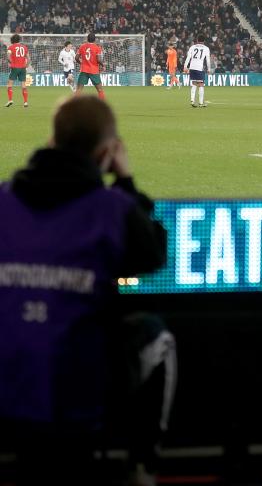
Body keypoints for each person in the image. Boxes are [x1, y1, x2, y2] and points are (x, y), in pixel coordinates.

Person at [0, 96, 174, 486]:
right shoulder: (111, 208)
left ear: (50, 140)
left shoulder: (2, 200)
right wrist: (126, 181)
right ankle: (141, 468)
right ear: (106, 152)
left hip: (7, 389)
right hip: (76, 400)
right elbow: (153, 256)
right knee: (156, 334)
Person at [75, 33, 106, 100]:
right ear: (95, 40)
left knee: (78, 90)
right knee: (100, 90)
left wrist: (81, 63)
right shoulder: (97, 48)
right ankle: (102, 105)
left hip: (84, 70)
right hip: (94, 71)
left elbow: (76, 58)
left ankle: (74, 106)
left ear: (87, 39)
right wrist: (103, 65)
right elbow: (98, 60)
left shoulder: (82, 46)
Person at [183, 37, 211, 108]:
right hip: (199, 68)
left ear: (197, 40)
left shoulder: (192, 47)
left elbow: (188, 57)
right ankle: (201, 103)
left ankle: (192, 100)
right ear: (204, 41)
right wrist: (209, 68)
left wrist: (185, 66)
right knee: (201, 84)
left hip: (192, 67)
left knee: (194, 83)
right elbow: (207, 59)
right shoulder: (206, 48)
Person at [6, 34, 29, 109]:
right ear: (19, 40)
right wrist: (27, 65)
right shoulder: (24, 47)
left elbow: (8, 56)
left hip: (15, 68)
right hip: (23, 68)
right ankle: (25, 102)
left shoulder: (11, 47)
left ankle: (10, 100)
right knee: (23, 85)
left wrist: (10, 62)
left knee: (9, 85)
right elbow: (28, 58)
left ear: (12, 40)